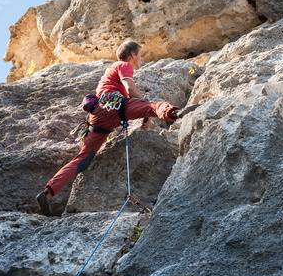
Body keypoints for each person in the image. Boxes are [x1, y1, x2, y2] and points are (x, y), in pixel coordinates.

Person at [36, 40, 197, 216]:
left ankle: (48, 193)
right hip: (114, 105)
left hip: (97, 115)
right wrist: (146, 111)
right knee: (153, 106)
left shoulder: (108, 72)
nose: (142, 59)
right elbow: (129, 86)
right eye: (140, 55)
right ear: (132, 54)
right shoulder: (123, 65)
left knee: (82, 159)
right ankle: (175, 113)